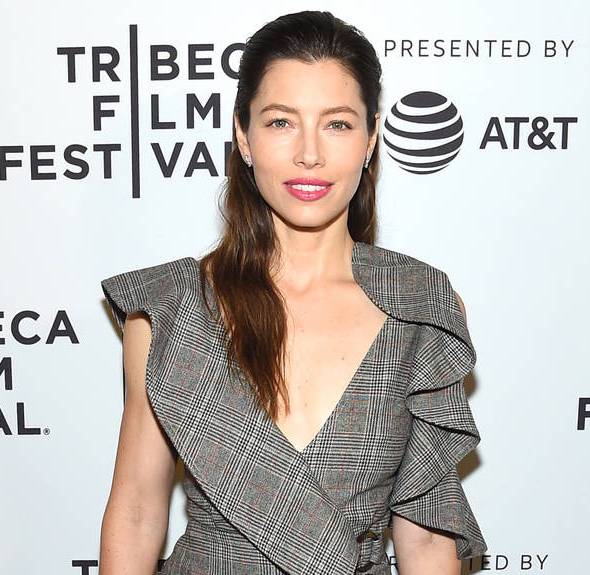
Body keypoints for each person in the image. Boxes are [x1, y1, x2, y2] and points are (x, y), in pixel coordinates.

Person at [99, 10, 487, 575]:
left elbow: (427, 539)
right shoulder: (169, 309)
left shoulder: (421, 305)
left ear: (371, 138)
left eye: (337, 124)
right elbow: (137, 511)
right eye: (281, 122)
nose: (309, 153)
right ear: (244, 136)